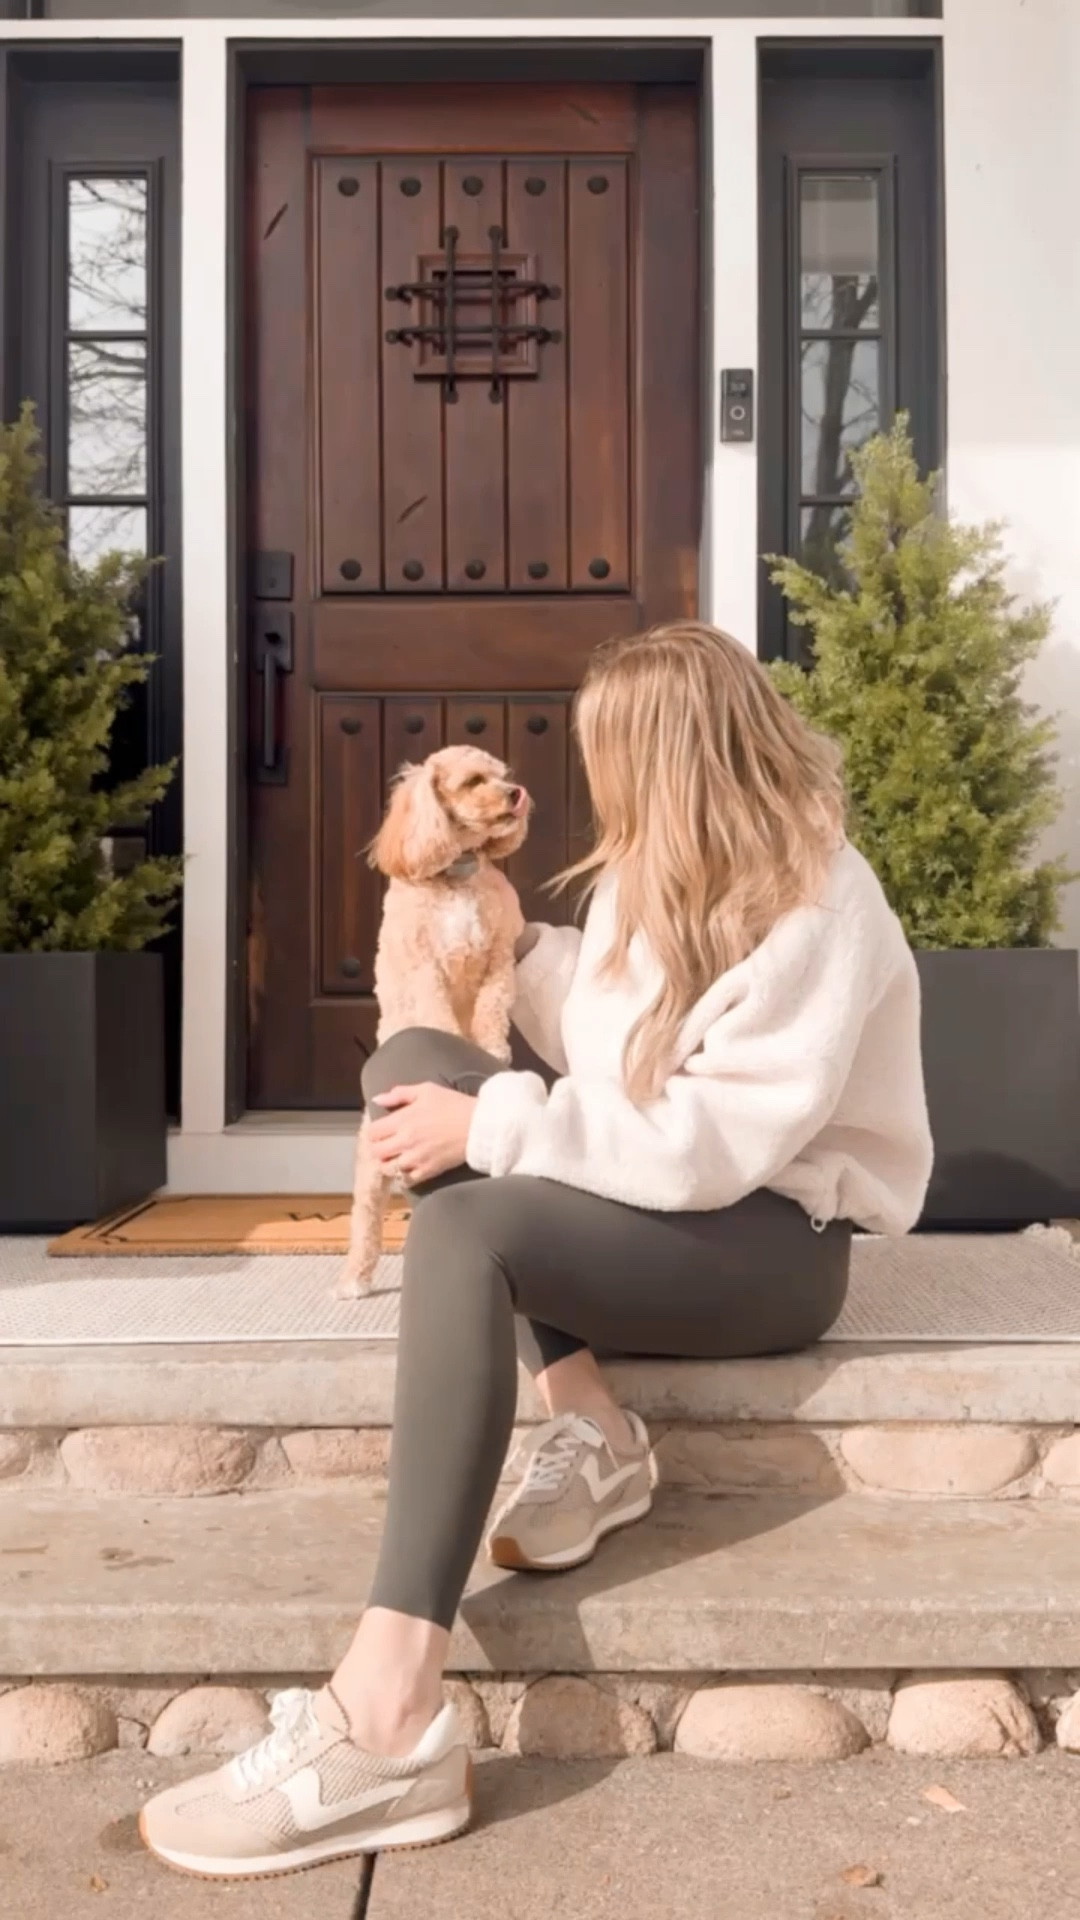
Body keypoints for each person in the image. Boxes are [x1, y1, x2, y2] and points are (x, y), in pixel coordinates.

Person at [140, 622, 932, 1879]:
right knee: (410, 1066)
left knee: (470, 1206)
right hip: (663, 1203)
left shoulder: (820, 895)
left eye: (611, 754)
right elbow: (609, 1046)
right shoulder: (646, 877)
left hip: (773, 1243)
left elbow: (708, 1142)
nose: (583, 783)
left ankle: (388, 1716)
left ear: (675, 757)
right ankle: (596, 1427)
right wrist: (483, 933)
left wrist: (498, 1120)